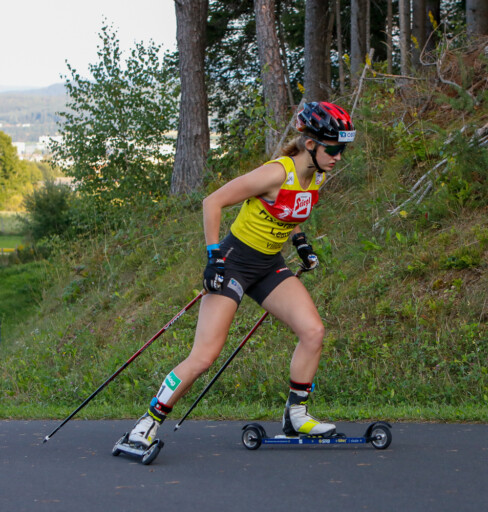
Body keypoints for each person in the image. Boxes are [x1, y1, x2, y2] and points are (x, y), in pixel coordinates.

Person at [127, 101, 356, 448]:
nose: (339, 156)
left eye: (343, 149)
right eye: (334, 148)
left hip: (268, 265)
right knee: (204, 356)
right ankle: (146, 423)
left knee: (313, 331)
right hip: (234, 261)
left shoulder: (317, 175)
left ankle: (297, 417)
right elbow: (212, 202)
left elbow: (290, 212)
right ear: (311, 144)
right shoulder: (275, 173)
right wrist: (213, 257)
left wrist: (302, 244)